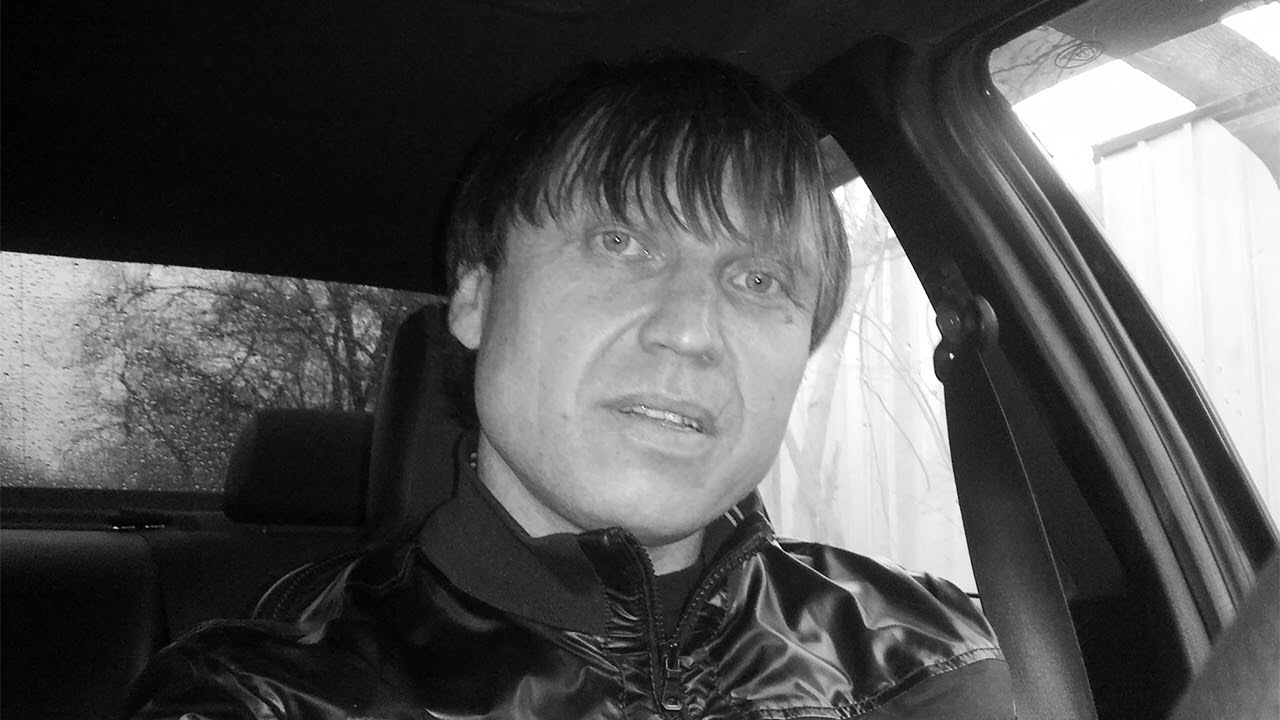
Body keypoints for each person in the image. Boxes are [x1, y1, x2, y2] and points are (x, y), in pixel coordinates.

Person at [127, 56, 1014, 719]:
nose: (691, 329)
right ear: (475, 300)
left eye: (758, 280)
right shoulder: (270, 694)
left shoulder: (936, 655)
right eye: (619, 243)